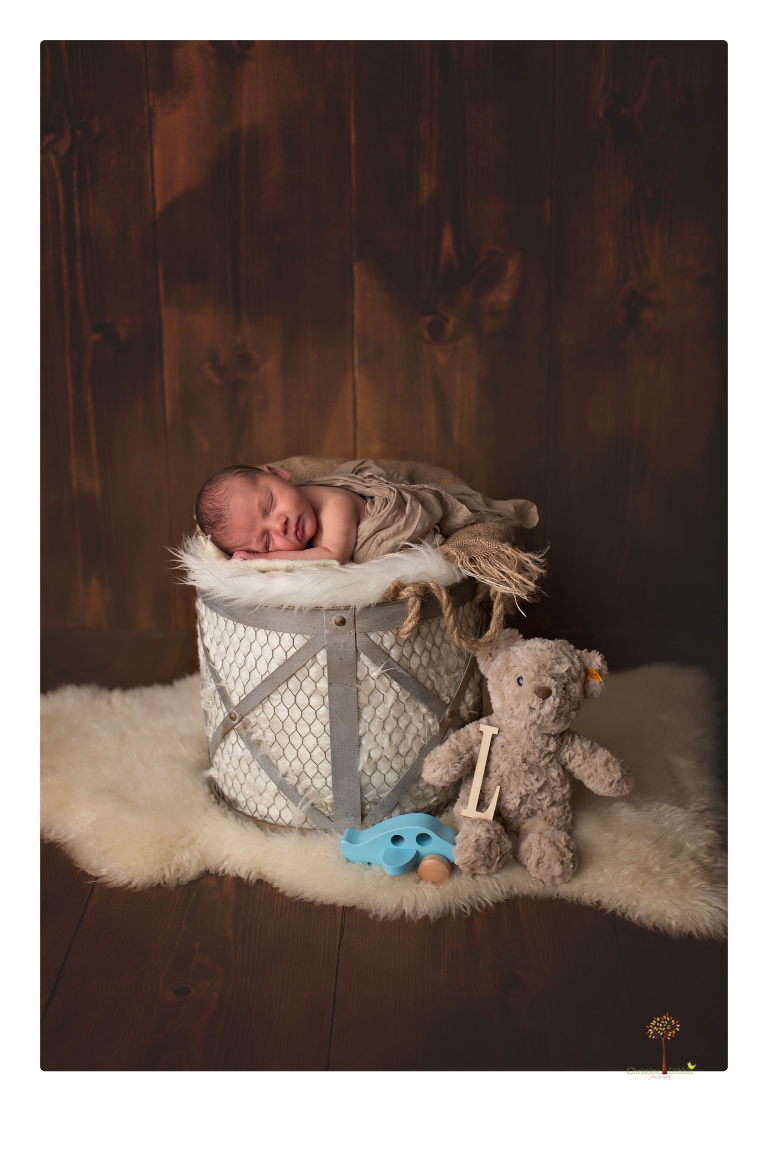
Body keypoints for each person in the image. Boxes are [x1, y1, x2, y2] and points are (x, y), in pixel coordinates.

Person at [194, 459, 538, 565]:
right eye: (266, 541)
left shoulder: (334, 502)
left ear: (280, 474)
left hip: (388, 519)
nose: (280, 525)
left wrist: (262, 560)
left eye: (269, 506)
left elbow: (333, 556)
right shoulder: (294, 515)